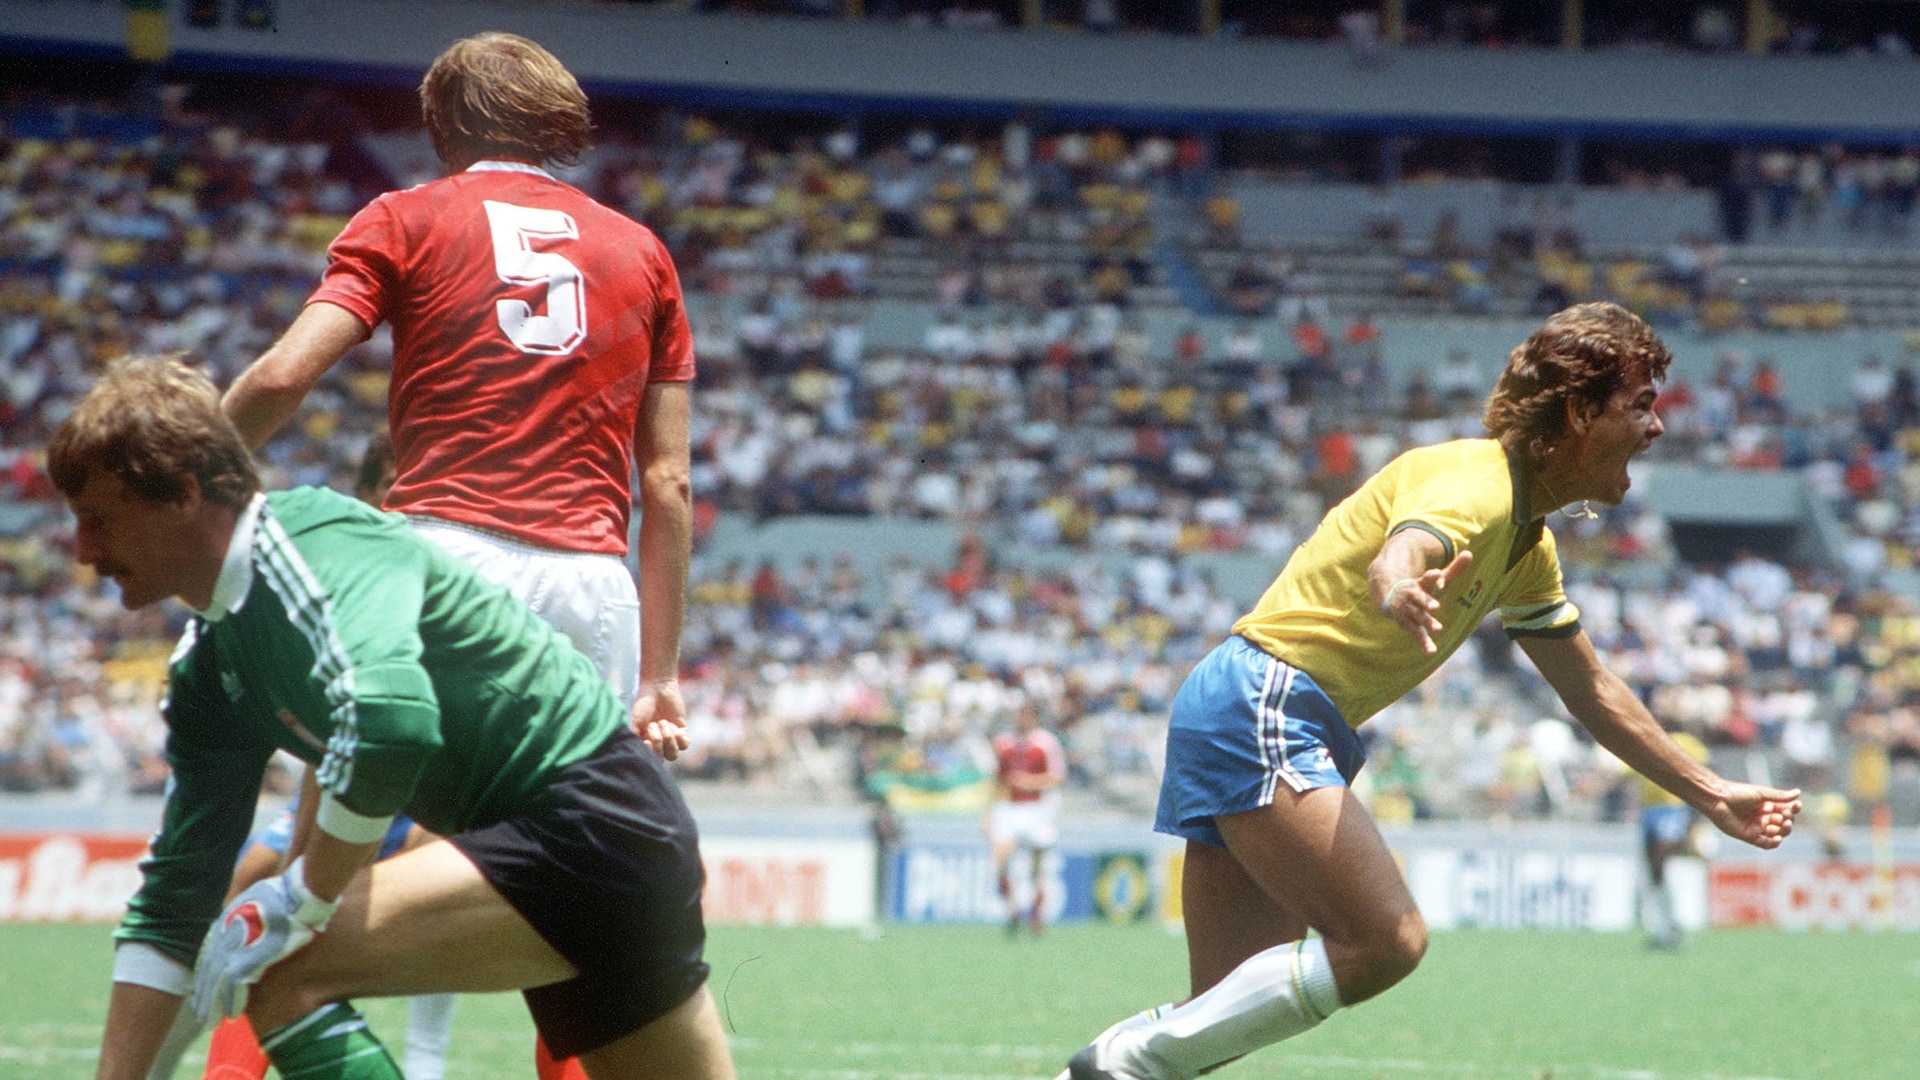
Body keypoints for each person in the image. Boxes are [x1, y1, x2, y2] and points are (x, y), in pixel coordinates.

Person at [1058, 302, 1803, 1080]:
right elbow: (1405, 549)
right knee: (1387, 941)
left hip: (1247, 703)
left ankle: (1112, 1067)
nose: (1657, 427)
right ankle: (1122, 1056)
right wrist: (1397, 587)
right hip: (1264, 702)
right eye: (1641, 404)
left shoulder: (1527, 544)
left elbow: (1591, 688)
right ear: (1581, 412)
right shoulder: (1478, 486)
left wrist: (1711, 792)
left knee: (1218, 1021)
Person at [220, 35, 697, 1078]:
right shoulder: (642, 250)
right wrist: (661, 675)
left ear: (442, 127)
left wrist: (196, 472)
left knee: (308, 895)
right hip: (593, 587)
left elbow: (288, 374)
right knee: (581, 912)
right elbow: (666, 483)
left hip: (441, 572)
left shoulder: (405, 217)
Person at [60, 356, 734, 1080]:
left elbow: (391, 723)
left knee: (281, 970)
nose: (84, 551)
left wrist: (304, 899)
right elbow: (174, 900)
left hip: (588, 826)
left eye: (100, 519)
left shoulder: (313, 543)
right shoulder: (209, 668)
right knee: (274, 956)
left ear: (183, 496)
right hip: (596, 844)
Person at [985, 701, 1067, 936]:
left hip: (1037, 808)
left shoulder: (1046, 743)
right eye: (1019, 714)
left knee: (1037, 866)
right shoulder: (1004, 743)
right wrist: (989, 811)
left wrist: (1028, 782)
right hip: (1009, 808)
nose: (1022, 719)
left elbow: (1057, 777)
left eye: (1027, 714)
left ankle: (1036, 912)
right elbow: (998, 780)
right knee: (999, 860)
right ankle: (1012, 908)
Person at [1638, 725, 1711, 950]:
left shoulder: (1687, 742)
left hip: (1672, 809)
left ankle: (1675, 923)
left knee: (1663, 859)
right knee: (1655, 870)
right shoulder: (1644, 738)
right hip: (1648, 810)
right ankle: (1665, 928)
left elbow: (1705, 770)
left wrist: (1697, 815)